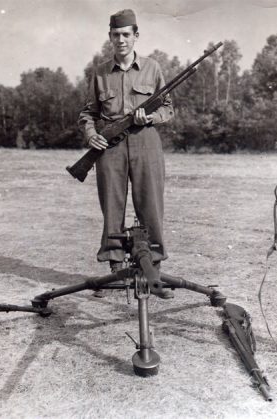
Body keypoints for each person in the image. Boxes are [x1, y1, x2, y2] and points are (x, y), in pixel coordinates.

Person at [78, 9, 174, 298]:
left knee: (151, 206)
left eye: (126, 34)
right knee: (112, 206)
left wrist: (152, 119)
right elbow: (87, 112)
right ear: (110, 37)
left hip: (146, 142)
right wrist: (92, 134)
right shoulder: (100, 72)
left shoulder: (153, 68)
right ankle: (116, 268)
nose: (121, 40)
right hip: (110, 146)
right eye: (116, 35)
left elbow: (168, 108)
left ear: (136, 36)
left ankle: (152, 268)